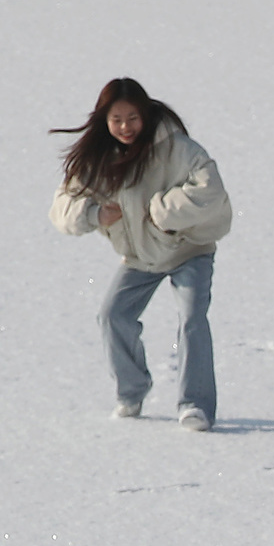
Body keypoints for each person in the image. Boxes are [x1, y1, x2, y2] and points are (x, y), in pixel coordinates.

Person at [49, 78, 232, 429]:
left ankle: (196, 405)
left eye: (132, 118)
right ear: (104, 120)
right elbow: (60, 208)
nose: (125, 127)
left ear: (145, 115)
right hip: (139, 258)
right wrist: (93, 214)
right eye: (117, 119)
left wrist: (163, 211)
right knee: (112, 316)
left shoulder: (178, 148)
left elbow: (211, 189)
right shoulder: (97, 159)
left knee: (192, 317)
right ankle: (131, 391)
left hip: (189, 250)